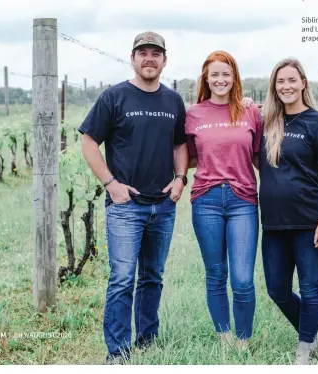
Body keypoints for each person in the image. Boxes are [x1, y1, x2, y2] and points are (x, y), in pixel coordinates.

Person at [77, 31, 189, 364]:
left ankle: (147, 339)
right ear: (133, 58)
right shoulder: (115, 97)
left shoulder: (173, 101)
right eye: (143, 52)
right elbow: (88, 141)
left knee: (153, 276)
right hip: (126, 207)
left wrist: (181, 179)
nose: (150, 58)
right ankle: (117, 350)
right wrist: (110, 183)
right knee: (123, 278)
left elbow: (180, 144)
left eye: (156, 53)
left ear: (164, 61)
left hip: (164, 205)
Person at [258, 58, 318, 364]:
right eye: (281, 81)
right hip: (274, 224)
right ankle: (311, 332)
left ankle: (304, 348)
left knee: (309, 288)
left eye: (292, 80)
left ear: (303, 83)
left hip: (309, 222)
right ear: (274, 87)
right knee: (277, 290)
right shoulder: (267, 124)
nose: (286, 86)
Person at [185, 50, 263, 351]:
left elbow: (258, 156)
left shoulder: (249, 112)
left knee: (242, 278)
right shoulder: (193, 114)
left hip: (243, 200)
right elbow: (188, 156)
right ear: (206, 77)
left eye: (225, 74)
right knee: (216, 273)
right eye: (214, 74)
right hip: (206, 199)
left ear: (234, 78)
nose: (220, 79)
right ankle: (224, 336)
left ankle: (243, 340)